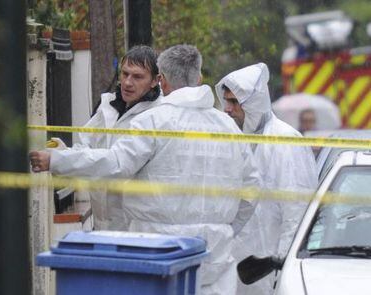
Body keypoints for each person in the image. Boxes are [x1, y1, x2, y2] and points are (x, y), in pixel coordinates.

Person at [30, 44, 260, 295]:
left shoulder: (153, 121)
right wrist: (223, 229)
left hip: (156, 255)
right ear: (199, 78)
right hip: (215, 257)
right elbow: (251, 190)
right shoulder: (228, 127)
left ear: (160, 79)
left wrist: (56, 160)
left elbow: (116, 163)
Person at [215, 63, 318, 295]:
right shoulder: (235, 142)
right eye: (226, 101)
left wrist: (283, 267)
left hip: (270, 268)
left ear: (253, 104)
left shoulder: (285, 142)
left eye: (234, 102)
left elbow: (296, 213)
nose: (227, 109)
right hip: (236, 267)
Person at [54, 45, 161, 231]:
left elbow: (116, 164)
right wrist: (61, 154)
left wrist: (59, 160)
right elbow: (84, 147)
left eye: (137, 77)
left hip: (137, 231)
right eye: (125, 73)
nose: (128, 82)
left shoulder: (159, 116)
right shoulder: (107, 108)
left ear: (155, 81)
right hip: (102, 225)